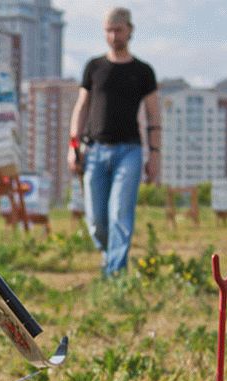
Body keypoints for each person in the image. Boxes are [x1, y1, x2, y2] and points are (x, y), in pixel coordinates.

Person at [68, 7, 160, 277]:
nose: (113, 35)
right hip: (94, 150)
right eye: (108, 30)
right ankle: (109, 256)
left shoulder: (143, 72)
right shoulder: (94, 67)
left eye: (118, 30)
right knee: (96, 221)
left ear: (130, 30)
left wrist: (155, 155)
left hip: (129, 152)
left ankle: (115, 275)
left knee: (120, 214)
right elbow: (81, 108)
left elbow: (154, 114)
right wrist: (73, 147)